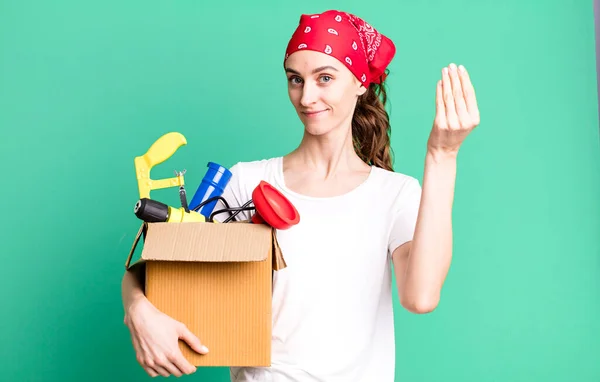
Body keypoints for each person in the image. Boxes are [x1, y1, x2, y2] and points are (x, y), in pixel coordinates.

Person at [121, 8, 480, 382]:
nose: (307, 96)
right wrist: (138, 311)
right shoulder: (247, 181)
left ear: (360, 82)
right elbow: (157, 269)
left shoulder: (395, 194)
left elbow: (420, 297)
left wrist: (442, 155)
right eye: (296, 79)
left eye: (325, 78)